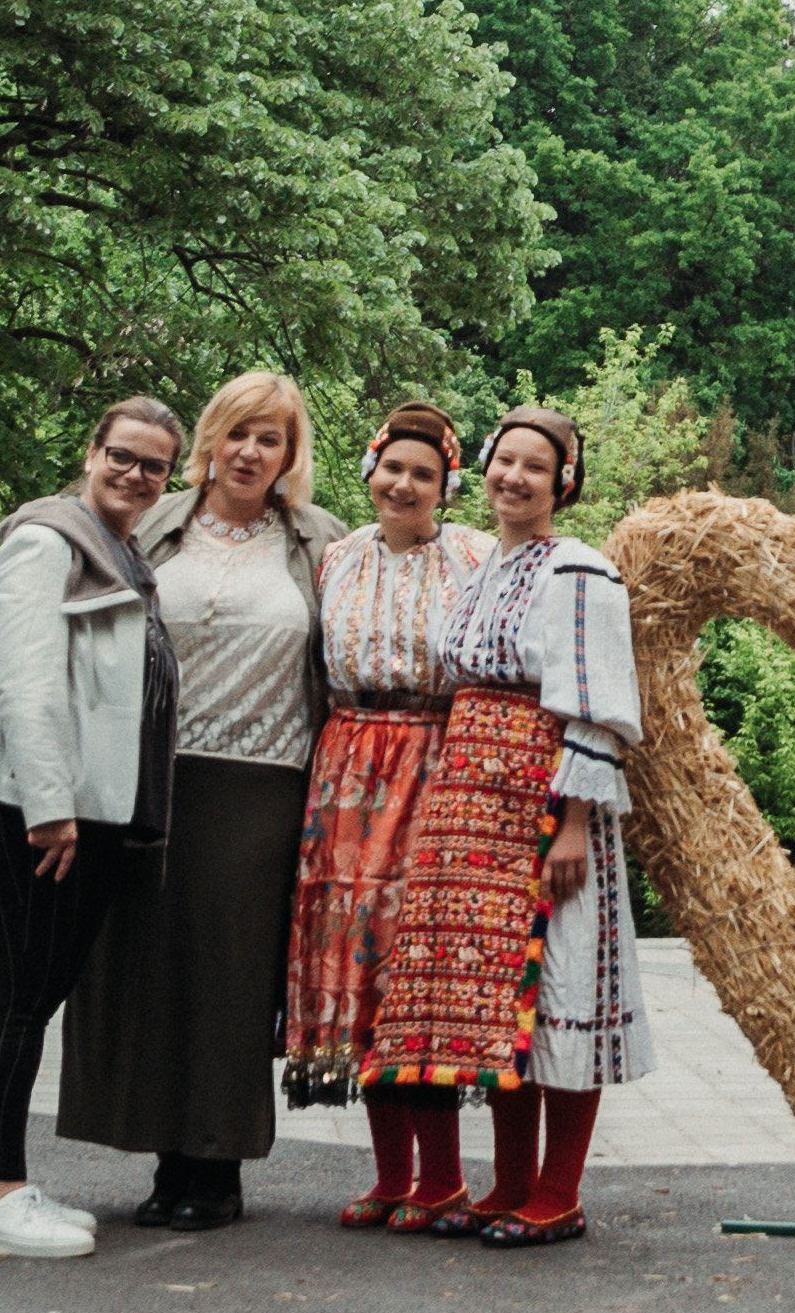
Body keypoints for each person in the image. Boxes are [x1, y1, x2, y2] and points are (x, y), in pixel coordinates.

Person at [352, 407, 644, 1249]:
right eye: (504, 461)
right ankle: (510, 1181)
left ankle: (560, 1190)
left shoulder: (579, 571)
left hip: (547, 800)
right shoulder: (486, 566)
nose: (514, 477)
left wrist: (574, 824)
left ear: (564, 484)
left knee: (561, 991)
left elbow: (596, 707)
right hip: (470, 796)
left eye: (535, 467)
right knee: (497, 1006)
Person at [58, 371, 332, 1231]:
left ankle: (213, 1167)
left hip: (262, 783)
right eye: (239, 434)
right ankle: (160, 1156)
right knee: (139, 963)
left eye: (272, 439)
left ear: (291, 456)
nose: (251, 452)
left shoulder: (321, 543)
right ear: (211, 440)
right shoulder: (149, 526)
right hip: (144, 770)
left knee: (230, 975)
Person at [0, 400, 184, 1260]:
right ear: (91, 453)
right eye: (122, 456)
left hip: (74, 811)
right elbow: (31, 681)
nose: (134, 475)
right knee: (23, 998)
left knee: (24, 996)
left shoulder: (118, 554)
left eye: (153, 466)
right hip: (31, 808)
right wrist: (50, 809)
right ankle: (2, 1193)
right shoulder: (46, 544)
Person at [291, 400, 493, 1230]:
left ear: (445, 487)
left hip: (434, 760)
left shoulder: (475, 557)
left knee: (418, 969)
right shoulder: (335, 558)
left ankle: (440, 1178)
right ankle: (388, 1175)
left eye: (423, 473)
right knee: (357, 960)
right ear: (369, 470)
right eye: (392, 468)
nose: (403, 484)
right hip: (343, 766)